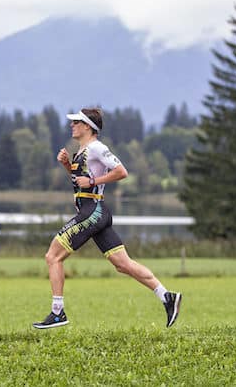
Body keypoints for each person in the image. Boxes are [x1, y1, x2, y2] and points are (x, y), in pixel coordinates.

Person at [32, 108, 182, 329]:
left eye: (76, 122)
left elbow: (122, 172)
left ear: (88, 127)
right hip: (94, 212)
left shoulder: (97, 148)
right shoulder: (83, 150)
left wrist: (92, 183)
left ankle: (57, 313)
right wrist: (67, 165)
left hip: (92, 211)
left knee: (53, 256)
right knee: (123, 264)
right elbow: (79, 183)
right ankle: (167, 297)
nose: (72, 125)